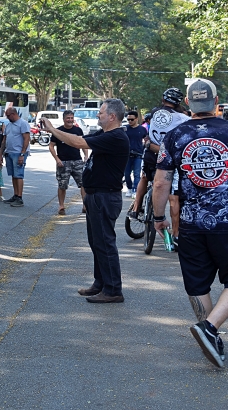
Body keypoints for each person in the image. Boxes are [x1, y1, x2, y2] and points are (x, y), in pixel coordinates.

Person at [153, 78, 228, 368]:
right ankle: (210, 328)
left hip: (190, 225)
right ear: (216, 102)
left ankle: (209, 330)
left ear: (188, 103)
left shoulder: (174, 135)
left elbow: (161, 183)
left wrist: (159, 217)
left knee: (197, 281)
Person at [44, 98, 129, 303]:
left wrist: (52, 130)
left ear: (112, 116)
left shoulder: (116, 137)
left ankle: (113, 290)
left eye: (101, 112)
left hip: (105, 196)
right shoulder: (105, 134)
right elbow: (80, 138)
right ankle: (101, 283)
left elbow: (78, 142)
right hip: (96, 196)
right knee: (96, 242)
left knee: (105, 243)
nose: (98, 115)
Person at [130, 88, 190, 239]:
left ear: (163, 100)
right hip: (169, 159)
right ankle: (176, 234)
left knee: (144, 177)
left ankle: (136, 208)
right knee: (173, 197)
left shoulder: (155, 112)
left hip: (151, 154)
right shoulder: (182, 118)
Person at [49, 110, 88, 216]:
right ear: (64, 119)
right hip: (63, 162)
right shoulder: (58, 131)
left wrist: (86, 155)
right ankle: (61, 206)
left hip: (77, 161)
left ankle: (85, 206)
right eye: (68, 118)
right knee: (62, 185)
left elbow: (83, 143)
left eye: (72, 118)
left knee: (84, 184)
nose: (70, 120)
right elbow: (51, 146)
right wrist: (57, 159)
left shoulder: (78, 130)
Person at [0, 106, 31, 207]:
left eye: (8, 115)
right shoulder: (8, 125)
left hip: (18, 153)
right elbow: (4, 140)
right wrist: (1, 154)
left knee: (18, 175)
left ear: (13, 114)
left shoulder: (23, 123)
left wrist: (22, 154)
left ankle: (20, 197)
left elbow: (26, 139)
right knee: (13, 175)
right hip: (9, 153)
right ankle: (15, 195)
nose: (7, 117)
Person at [123, 110, 146, 195]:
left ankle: (135, 190)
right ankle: (129, 188)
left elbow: (146, 139)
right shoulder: (124, 129)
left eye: (131, 119)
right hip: (127, 155)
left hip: (138, 154)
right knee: (127, 174)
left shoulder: (142, 129)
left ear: (136, 119)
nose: (129, 121)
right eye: (128, 119)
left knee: (137, 174)